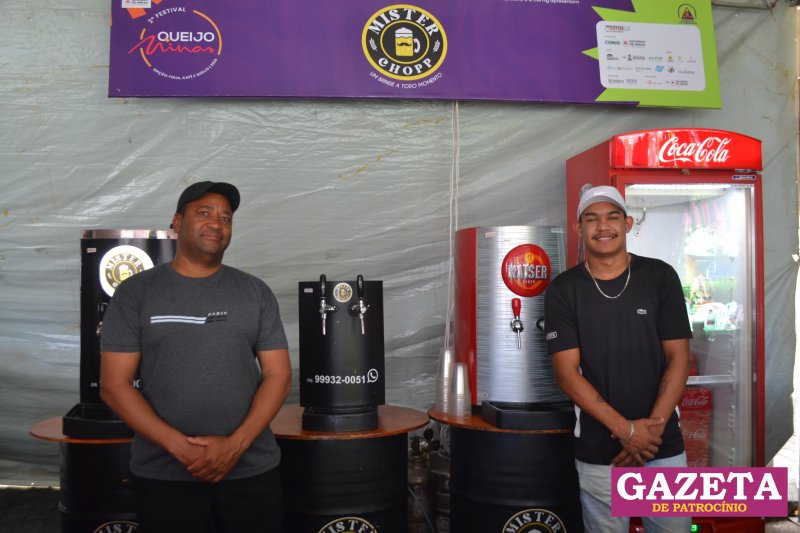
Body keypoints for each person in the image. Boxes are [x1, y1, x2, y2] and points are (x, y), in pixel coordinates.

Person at [100, 181, 292, 532]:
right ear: (177, 221)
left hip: (250, 470)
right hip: (165, 474)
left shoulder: (255, 292)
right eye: (204, 213)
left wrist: (235, 446)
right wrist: (180, 448)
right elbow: (114, 385)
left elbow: (278, 376)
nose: (216, 223)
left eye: (226, 217)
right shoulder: (135, 293)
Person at [544, 185, 691, 532]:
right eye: (591, 219)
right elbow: (567, 374)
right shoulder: (564, 290)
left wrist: (649, 432)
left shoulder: (660, 277)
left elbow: (679, 359)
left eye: (612, 217)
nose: (603, 227)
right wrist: (627, 431)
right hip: (600, 449)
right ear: (579, 228)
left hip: (662, 443)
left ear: (627, 223)